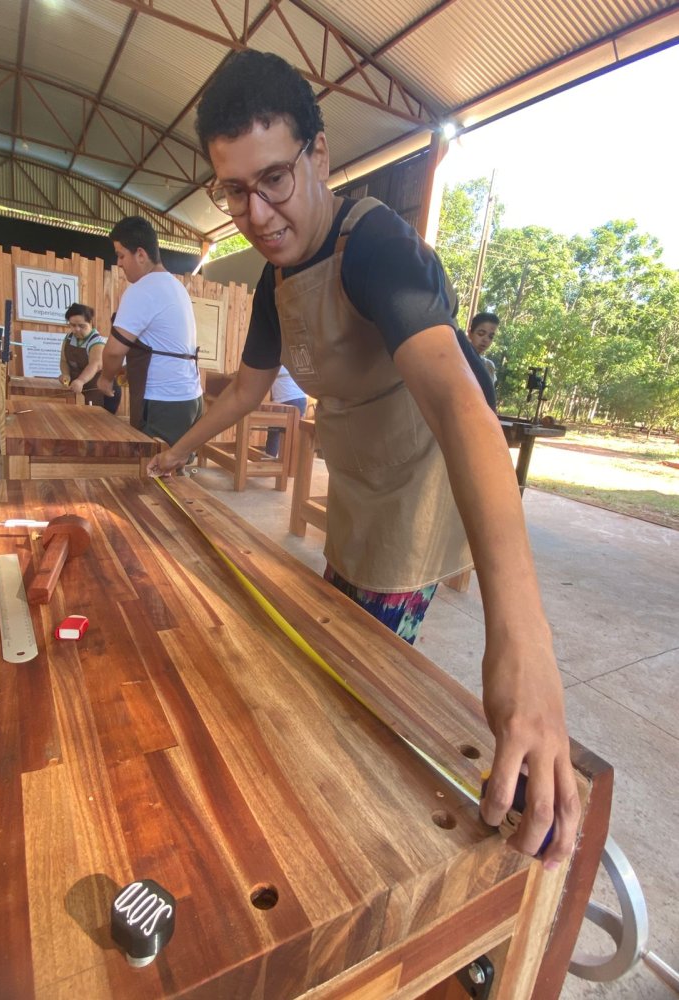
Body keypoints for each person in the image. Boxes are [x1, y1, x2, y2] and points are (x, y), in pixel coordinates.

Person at [146, 50, 578, 866]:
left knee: (361, 678)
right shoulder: (277, 277)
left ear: (318, 155)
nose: (257, 212)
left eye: (274, 178)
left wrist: (525, 645)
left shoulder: (377, 246)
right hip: (359, 475)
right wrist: (177, 454)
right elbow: (245, 390)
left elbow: (463, 410)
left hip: (418, 480)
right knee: (328, 632)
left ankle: (349, 837)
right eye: (234, 190)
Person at [97, 216, 203, 445]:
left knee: (153, 466)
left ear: (141, 254)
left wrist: (105, 379)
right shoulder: (176, 286)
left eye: (121, 255)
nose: (119, 263)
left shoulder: (142, 289)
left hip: (163, 403)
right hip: (190, 399)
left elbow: (114, 351)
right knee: (174, 465)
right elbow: (164, 346)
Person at [59, 303, 121, 413]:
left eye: (81, 326)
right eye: (73, 325)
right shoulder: (68, 338)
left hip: (100, 390)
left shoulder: (96, 341)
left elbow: (95, 364)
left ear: (90, 322)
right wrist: (66, 375)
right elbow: (64, 361)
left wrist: (80, 381)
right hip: (80, 388)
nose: (77, 329)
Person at [265, 365, 307, 457]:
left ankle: (269, 460)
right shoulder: (290, 362)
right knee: (292, 434)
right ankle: (292, 463)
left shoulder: (273, 364)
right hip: (300, 399)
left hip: (286, 400)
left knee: (274, 432)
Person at [467, 311, 499, 386]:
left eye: (491, 337)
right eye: (481, 334)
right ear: (470, 333)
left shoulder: (489, 366)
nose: (486, 340)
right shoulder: (457, 359)